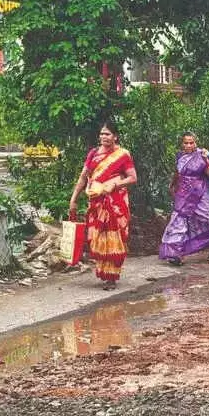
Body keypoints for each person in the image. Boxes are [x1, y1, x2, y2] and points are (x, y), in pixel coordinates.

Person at [69, 121, 137, 290]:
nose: (104, 137)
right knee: (97, 237)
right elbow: (83, 177)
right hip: (96, 201)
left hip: (114, 202)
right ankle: (103, 271)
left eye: (107, 134)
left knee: (112, 238)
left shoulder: (123, 155)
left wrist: (115, 185)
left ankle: (112, 277)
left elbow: (132, 178)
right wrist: (73, 199)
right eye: (102, 134)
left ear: (115, 136)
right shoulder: (93, 154)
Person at [159, 132, 209, 266]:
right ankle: (177, 254)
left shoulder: (202, 155)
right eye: (186, 143)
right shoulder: (180, 156)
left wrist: (208, 159)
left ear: (195, 143)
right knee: (178, 221)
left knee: (207, 219)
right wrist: (173, 185)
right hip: (183, 193)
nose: (189, 145)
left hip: (199, 192)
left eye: (191, 142)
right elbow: (178, 172)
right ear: (182, 144)